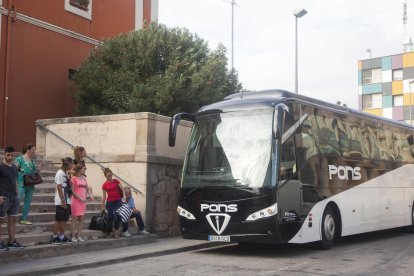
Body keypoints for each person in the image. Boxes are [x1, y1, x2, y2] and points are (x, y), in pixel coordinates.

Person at [0, 146, 25, 250]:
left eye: (12, 155)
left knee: (12, 220)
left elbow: (14, 180)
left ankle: (12, 241)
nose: (10, 157)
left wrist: (17, 194)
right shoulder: (0, 166)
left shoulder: (14, 167)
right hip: (3, 198)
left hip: (13, 198)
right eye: (8, 155)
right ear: (4, 154)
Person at [15, 143, 42, 225]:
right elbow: (14, 169)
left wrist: (39, 169)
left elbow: (33, 173)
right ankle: (11, 216)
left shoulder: (32, 161)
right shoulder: (20, 159)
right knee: (17, 200)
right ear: (28, 150)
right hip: (21, 183)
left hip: (30, 184)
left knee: (28, 201)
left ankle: (24, 218)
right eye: (33, 149)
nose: (34, 151)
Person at [51, 157, 74, 244]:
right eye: (71, 164)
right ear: (68, 164)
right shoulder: (60, 173)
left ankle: (61, 236)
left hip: (67, 199)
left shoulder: (66, 173)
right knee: (59, 219)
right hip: (61, 200)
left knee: (64, 219)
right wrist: (63, 200)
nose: (72, 166)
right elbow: (59, 187)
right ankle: (55, 237)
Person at [70, 163, 94, 242]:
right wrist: (80, 198)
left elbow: (87, 188)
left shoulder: (84, 178)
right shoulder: (73, 178)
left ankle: (79, 235)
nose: (85, 170)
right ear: (79, 169)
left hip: (83, 201)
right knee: (74, 219)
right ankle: (73, 236)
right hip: (76, 200)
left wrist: (90, 195)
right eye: (84, 169)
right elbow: (72, 192)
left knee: (81, 218)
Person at [101, 168, 125, 239]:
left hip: (118, 201)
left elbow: (123, 189)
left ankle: (116, 232)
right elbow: (104, 197)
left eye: (111, 175)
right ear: (105, 176)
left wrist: (123, 198)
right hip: (109, 203)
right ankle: (111, 232)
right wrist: (103, 205)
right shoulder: (104, 185)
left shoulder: (116, 181)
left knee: (116, 215)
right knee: (110, 217)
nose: (110, 177)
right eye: (108, 175)